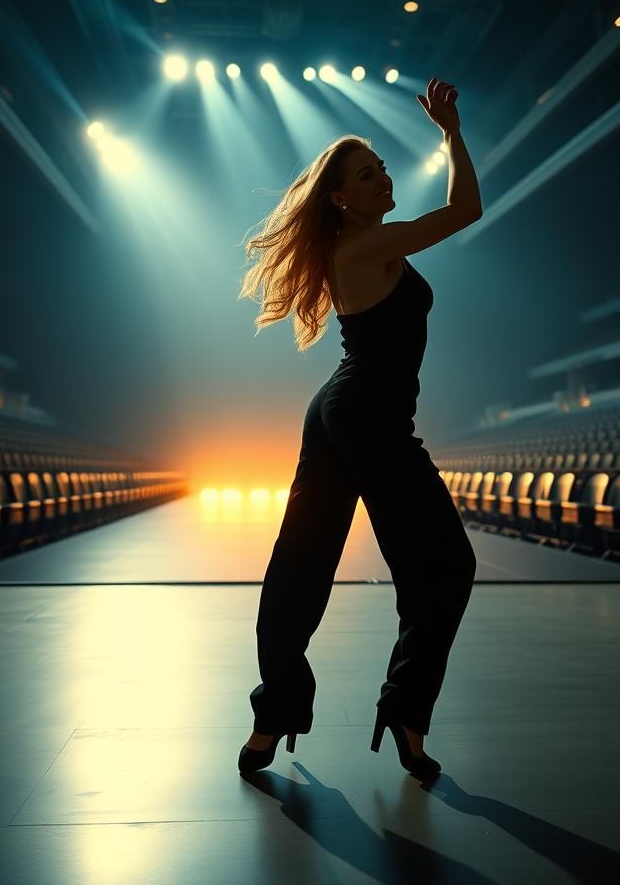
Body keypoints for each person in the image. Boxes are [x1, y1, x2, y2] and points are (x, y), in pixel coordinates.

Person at [236, 78, 482, 779]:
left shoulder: (372, 244)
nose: (384, 178)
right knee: (444, 564)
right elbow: (467, 207)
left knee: (302, 564)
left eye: (382, 169)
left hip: (340, 409)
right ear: (340, 197)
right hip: (367, 415)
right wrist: (452, 131)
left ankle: (274, 716)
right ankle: (404, 710)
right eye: (368, 175)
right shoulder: (371, 247)